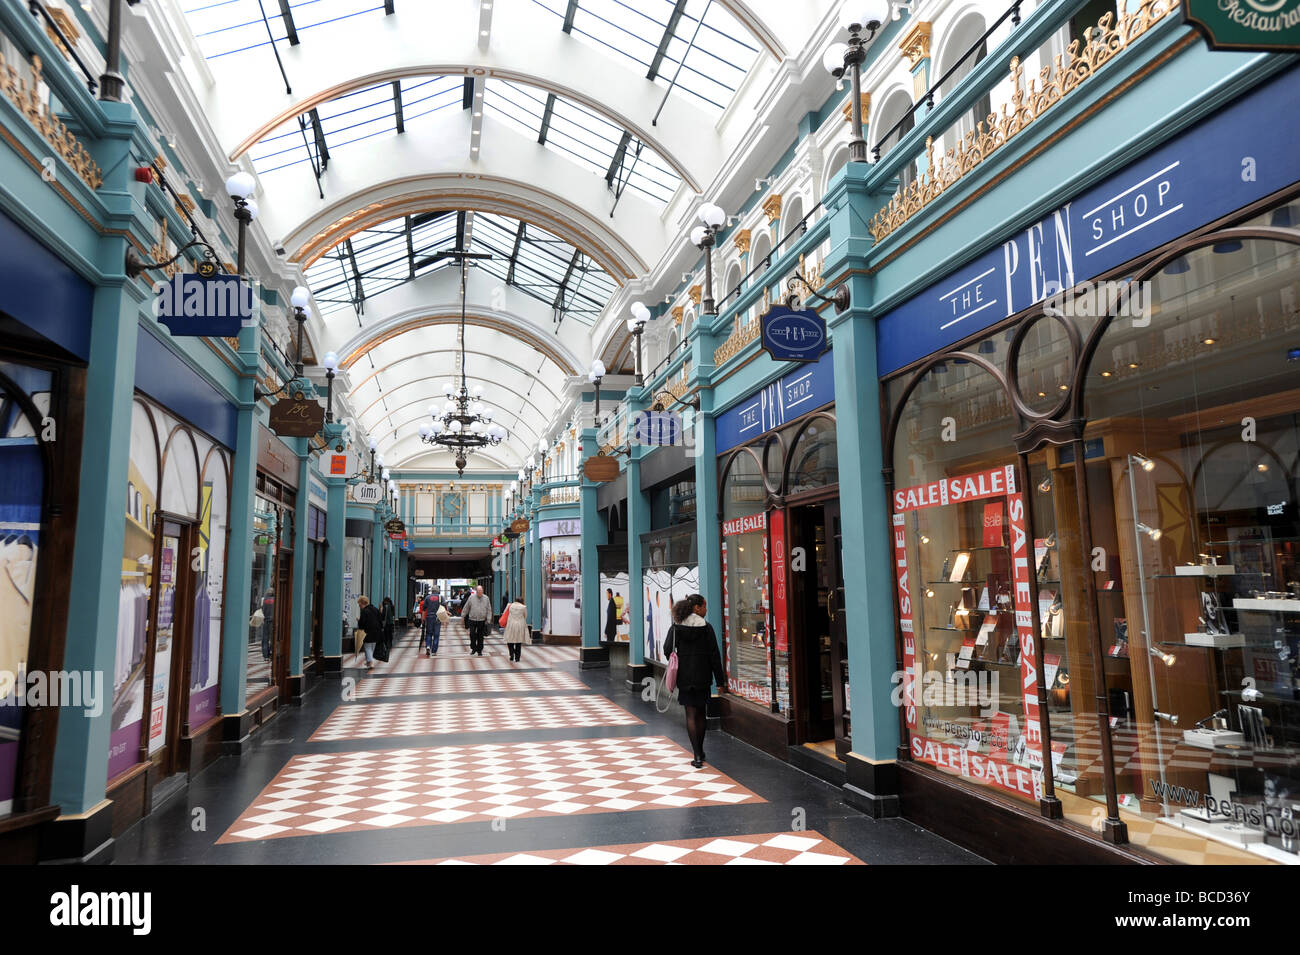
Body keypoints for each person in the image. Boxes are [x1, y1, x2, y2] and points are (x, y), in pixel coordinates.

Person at [663, 593, 726, 768]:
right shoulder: (707, 628)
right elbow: (714, 656)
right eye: (704, 606)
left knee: (690, 715)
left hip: (684, 677)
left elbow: (667, 649)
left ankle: (697, 754)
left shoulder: (677, 627)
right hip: (703, 676)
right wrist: (720, 681)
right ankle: (701, 749)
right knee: (701, 714)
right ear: (696, 608)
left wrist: (677, 657)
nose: (706, 609)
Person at [462, 585, 492, 655]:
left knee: (480, 636)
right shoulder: (471, 597)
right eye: (478, 591)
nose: (479, 593)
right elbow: (466, 607)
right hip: (472, 619)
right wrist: (463, 616)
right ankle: (473, 647)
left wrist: (488, 619)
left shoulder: (486, 598)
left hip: (481, 620)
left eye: (481, 591)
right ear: (476, 591)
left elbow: (489, 609)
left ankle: (479, 650)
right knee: (472, 634)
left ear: (482, 591)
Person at [355, 595, 383, 670]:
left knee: (367, 647)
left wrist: (359, 621)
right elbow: (380, 619)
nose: (359, 606)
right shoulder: (375, 609)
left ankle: (370, 662)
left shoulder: (364, 611)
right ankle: (368, 661)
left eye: (359, 604)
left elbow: (362, 623)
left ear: (362, 603)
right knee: (372, 646)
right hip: (377, 631)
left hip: (368, 631)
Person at [502, 594, 527, 662]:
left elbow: (505, 613)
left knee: (510, 640)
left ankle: (512, 653)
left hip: (510, 625)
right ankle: (517, 657)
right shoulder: (523, 607)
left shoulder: (510, 605)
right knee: (518, 642)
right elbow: (525, 616)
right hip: (519, 625)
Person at [422, 590, 442, 656]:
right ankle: (434, 651)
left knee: (428, 633)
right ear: (438, 591)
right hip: (437, 617)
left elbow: (424, 609)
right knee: (436, 634)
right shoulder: (440, 597)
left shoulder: (427, 597)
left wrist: (423, 618)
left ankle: (428, 646)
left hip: (429, 617)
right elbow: (444, 607)